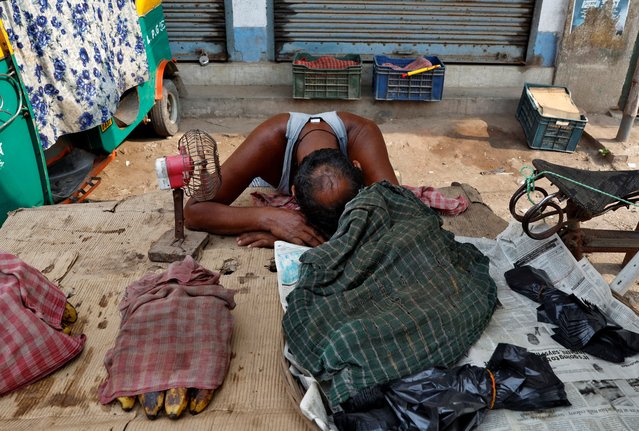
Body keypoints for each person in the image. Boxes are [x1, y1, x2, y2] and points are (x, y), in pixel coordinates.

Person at [184, 111, 399, 248]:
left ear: (357, 166)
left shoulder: (363, 136)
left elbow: (398, 215)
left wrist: (299, 242)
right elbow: (195, 211)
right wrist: (272, 219)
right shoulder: (268, 141)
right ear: (294, 193)